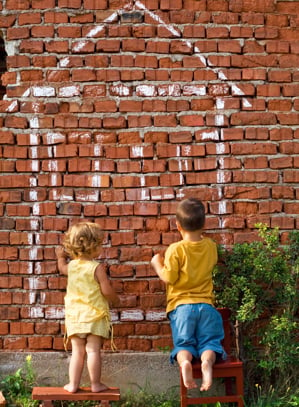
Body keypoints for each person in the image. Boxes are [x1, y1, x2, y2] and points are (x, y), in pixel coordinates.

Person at [151, 198, 226, 392]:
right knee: (210, 342)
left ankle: (185, 363)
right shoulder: (210, 246)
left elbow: (168, 277)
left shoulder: (176, 249)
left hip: (182, 308)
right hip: (207, 306)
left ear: (177, 226)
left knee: (184, 344)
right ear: (204, 224)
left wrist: (157, 263)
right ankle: (207, 362)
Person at [56, 222, 119, 393]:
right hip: (95, 316)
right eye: (99, 244)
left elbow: (61, 268)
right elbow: (106, 291)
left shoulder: (72, 266)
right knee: (93, 351)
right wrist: (115, 299)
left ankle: (73, 385)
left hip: (75, 317)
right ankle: (95, 384)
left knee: (77, 352)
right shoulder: (96, 268)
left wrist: (60, 256)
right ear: (92, 246)